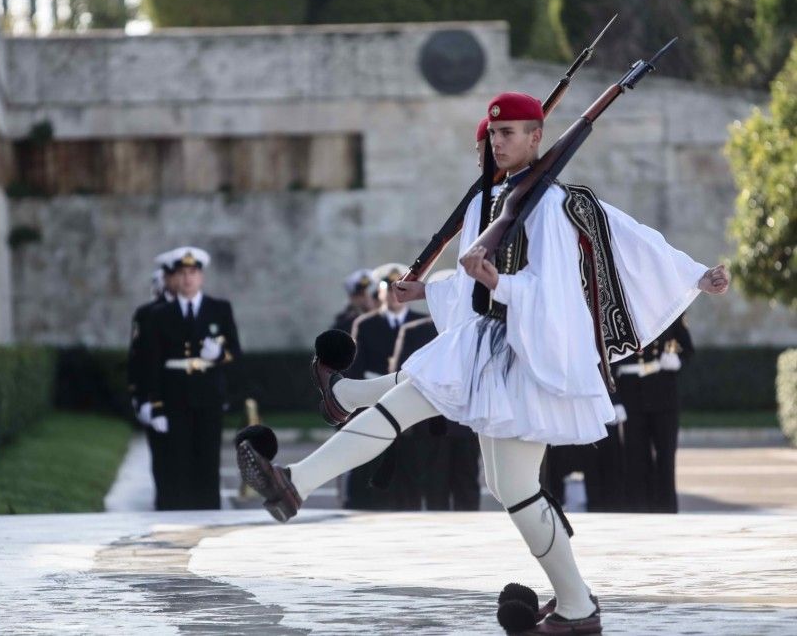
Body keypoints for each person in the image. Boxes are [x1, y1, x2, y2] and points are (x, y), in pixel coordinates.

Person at [237, 92, 730, 633]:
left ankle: (297, 480)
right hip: (486, 342)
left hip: (528, 354)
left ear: (538, 138)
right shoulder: (487, 201)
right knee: (510, 485)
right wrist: (426, 290)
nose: (498, 142)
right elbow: (472, 285)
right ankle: (577, 606)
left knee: (415, 407)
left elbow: (593, 264)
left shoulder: (552, 204)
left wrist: (695, 275)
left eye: (512, 133)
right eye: (494, 134)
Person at [139, 246, 242, 510]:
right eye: (182, 273)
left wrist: (219, 354)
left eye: (193, 272)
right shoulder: (160, 315)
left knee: (208, 461)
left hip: (208, 396)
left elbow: (236, 352)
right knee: (178, 461)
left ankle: (208, 516)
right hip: (175, 397)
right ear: (175, 277)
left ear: (201, 277)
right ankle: (177, 518)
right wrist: (156, 405)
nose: (187, 278)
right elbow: (151, 363)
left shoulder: (219, 308)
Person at [389, 269, 481, 512]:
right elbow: (403, 373)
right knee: (433, 485)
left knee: (467, 484)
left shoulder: (474, 329)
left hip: (466, 422)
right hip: (430, 424)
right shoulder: (415, 330)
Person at [343, 263, 426, 510]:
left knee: (409, 468)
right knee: (372, 464)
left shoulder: (422, 323)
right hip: (376, 402)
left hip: (411, 405)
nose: (394, 296)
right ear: (379, 293)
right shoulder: (365, 324)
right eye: (389, 289)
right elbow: (356, 369)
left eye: (400, 289)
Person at [616, 314, 693, 513]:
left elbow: (684, 346)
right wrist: (614, 399)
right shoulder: (621, 310)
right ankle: (638, 512)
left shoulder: (670, 309)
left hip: (663, 393)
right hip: (631, 393)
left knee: (666, 458)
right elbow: (609, 356)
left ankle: (666, 512)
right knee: (636, 459)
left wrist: (675, 358)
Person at [128, 255, 178, 509]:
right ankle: (164, 500)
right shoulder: (146, 314)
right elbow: (138, 359)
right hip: (154, 396)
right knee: (160, 453)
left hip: (180, 394)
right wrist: (140, 398)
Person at [331, 269, 377, 334]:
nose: (367, 299)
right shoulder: (345, 323)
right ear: (352, 298)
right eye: (361, 295)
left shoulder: (385, 319)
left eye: (371, 294)